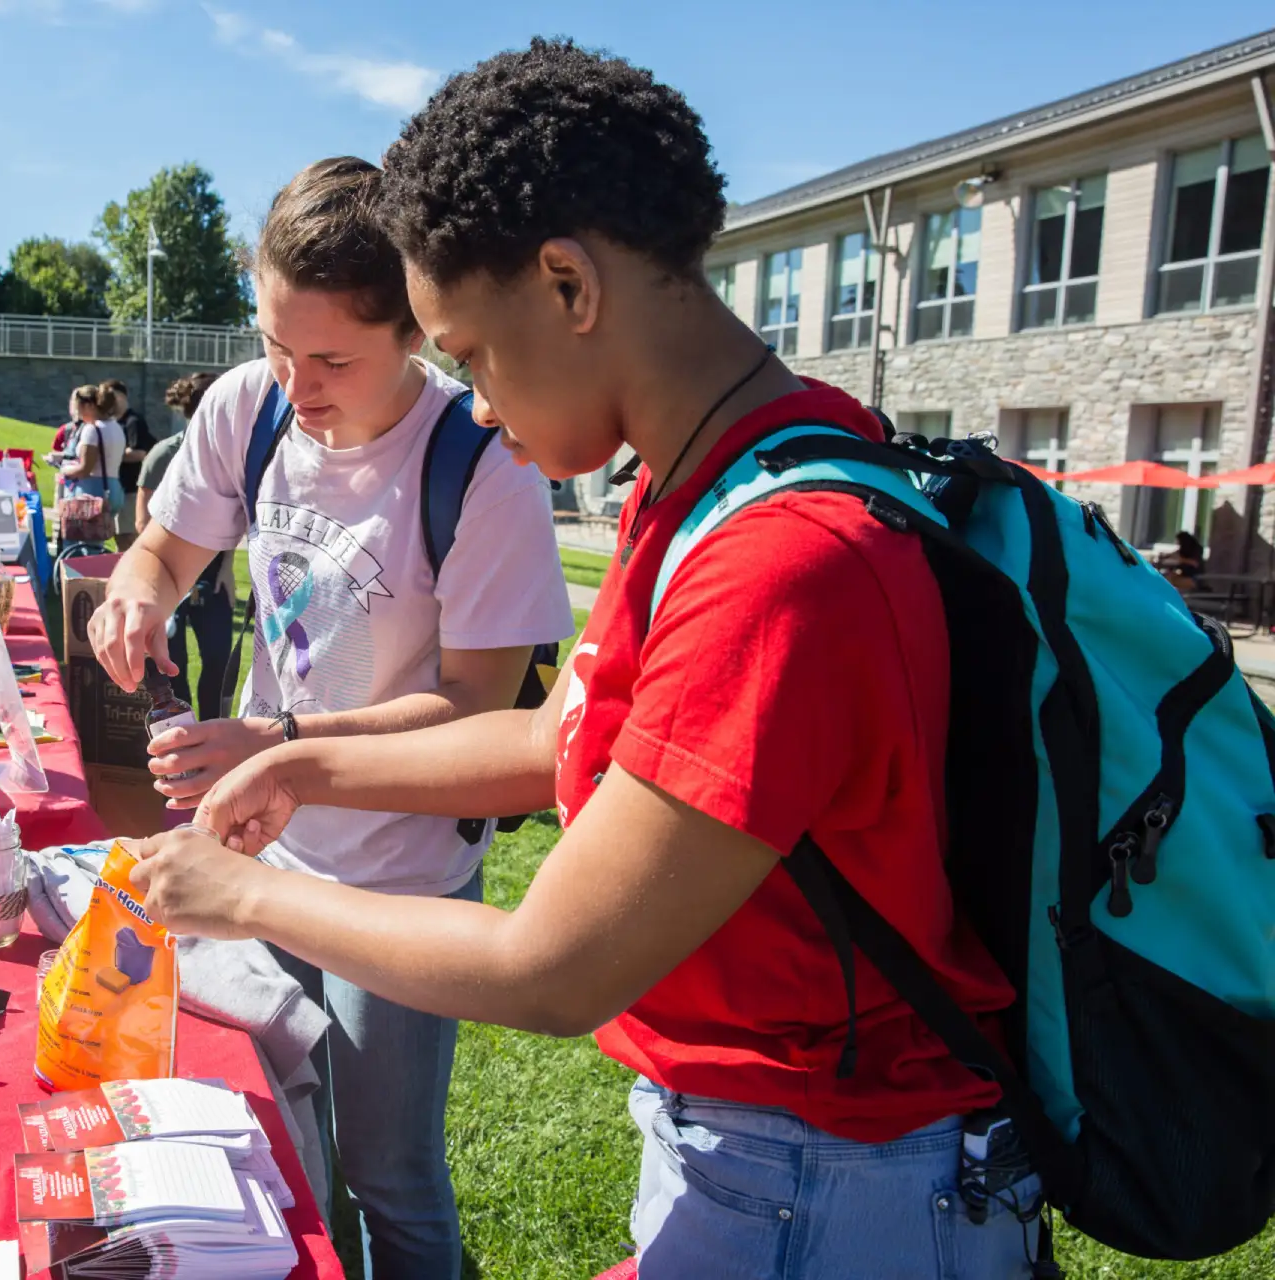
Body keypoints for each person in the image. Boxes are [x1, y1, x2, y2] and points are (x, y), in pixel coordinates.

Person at [127, 41, 1041, 1280]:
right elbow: (559, 735)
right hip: (759, 1147)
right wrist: (306, 768)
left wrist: (245, 896)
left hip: (827, 1172)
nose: (482, 407)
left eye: (473, 354)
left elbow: (550, 964)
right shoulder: (716, 480)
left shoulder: (779, 561)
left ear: (569, 285)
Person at [86, 155, 573, 1277]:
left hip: (396, 876)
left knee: (389, 1173)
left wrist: (281, 747)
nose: (294, 386)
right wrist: (138, 591)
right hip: (260, 845)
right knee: (284, 1148)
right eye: (273, 345)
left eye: (331, 359)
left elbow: (474, 713)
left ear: (415, 330)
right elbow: (166, 546)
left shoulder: (480, 469)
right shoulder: (246, 406)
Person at [139, 372, 230, 714]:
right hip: (169, 580)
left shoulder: (226, 456)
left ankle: (213, 726)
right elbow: (142, 522)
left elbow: (229, 518)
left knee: (218, 657)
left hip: (212, 579)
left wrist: (226, 568)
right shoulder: (164, 454)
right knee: (172, 663)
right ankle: (184, 726)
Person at [104, 377, 159, 550]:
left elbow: (140, 453)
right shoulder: (113, 423)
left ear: (120, 396)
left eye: (110, 396)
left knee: (128, 538)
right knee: (118, 536)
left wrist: (112, 455)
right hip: (117, 487)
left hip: (131, 489)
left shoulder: (133, 422)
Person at [61, 384, 125, 509]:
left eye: (79, 408)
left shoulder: (92, 429)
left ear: (89, 406)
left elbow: (85, 469)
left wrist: (64, 469)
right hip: (113, 487)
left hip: (92, 491)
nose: (78, 414)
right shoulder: (116, 427)